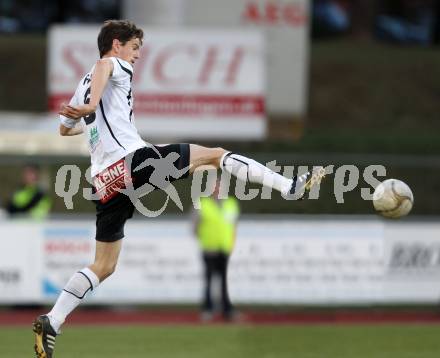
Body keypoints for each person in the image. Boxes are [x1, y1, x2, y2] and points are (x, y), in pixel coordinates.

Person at [32, 20, 325, 358]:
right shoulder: (111, 64)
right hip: (133, 162)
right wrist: (91, 104)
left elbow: (63, 129)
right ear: (117, 44)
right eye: (135, 47)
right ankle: (288, 186)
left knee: (104, 265)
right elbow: (103, 65)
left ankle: (53, 319)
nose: (138, 55)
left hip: (105, 181)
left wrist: (85, 112)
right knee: (215, 155)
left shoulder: (81, 85)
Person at [194, 179, 239, 321]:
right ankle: (208, 309)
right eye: (215, 187)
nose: (218, 189)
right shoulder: (203, 204)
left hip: (224, 247)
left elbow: (233, 227)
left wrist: (231, 244)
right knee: (209, 280)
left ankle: (227, 310)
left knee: (224, 281)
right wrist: (204, 239)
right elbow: (195, 226)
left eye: (220, 186)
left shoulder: (231, 204)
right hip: (209, 248)